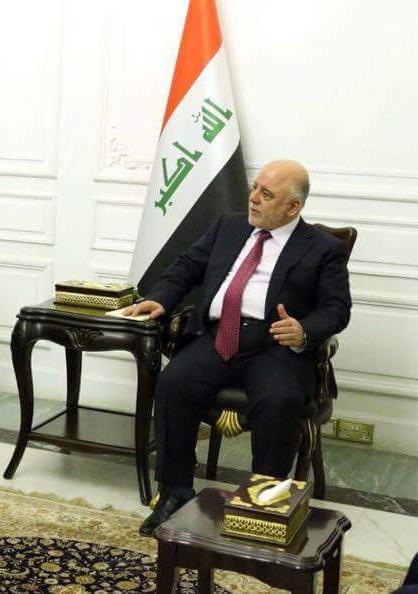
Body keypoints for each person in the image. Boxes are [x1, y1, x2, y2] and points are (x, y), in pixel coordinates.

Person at [124, 160, 352, 536]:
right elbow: (188, 266)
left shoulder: (322, 248)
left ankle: (263, 508)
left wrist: (304, 330)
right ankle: (175, 493)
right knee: (174, 383)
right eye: (254, 188)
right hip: (218, 337)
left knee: (279, 402)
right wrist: (160, 299)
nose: (253, 198)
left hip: (274, 347)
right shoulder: (228, 226)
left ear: (293, 207)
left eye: (266, 194)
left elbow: (337, 308)